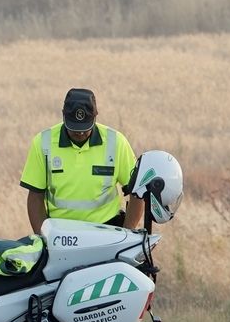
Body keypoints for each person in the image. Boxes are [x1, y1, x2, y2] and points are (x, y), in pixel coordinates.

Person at [20, 87, 145, 235]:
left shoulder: (116, 142)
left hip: (107, 231)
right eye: (74, 128)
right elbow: (35, 197)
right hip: (60, 234)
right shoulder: (42, 142)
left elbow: (137, 192)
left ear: (96, 116)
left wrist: (127, 233)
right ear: (63, 115)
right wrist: (42, 238)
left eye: (85, 127)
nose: (80, 133)